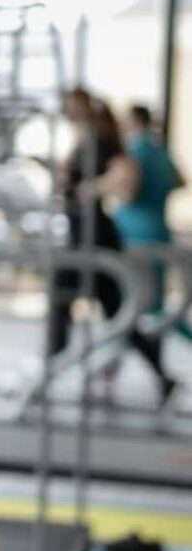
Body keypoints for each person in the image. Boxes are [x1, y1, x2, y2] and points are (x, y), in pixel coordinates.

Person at [55, 90, 177, 404]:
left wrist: (90, 189)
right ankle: (159, 375)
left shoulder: (108, 141)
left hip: (109, 234)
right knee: (124, 309)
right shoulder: (152, 148)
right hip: (140, 229)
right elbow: (178, 180)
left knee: (124, 306)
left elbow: (127, 178)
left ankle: (53, 356)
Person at [113, 104, 192, 345]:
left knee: (134, 300)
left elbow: (127, 189)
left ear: (134, 120)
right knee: (156, 302)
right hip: (157, 228)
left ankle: (113, 351)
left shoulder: (134, 151)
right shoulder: (160, 150)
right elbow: (180, 181)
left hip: (135, 230)